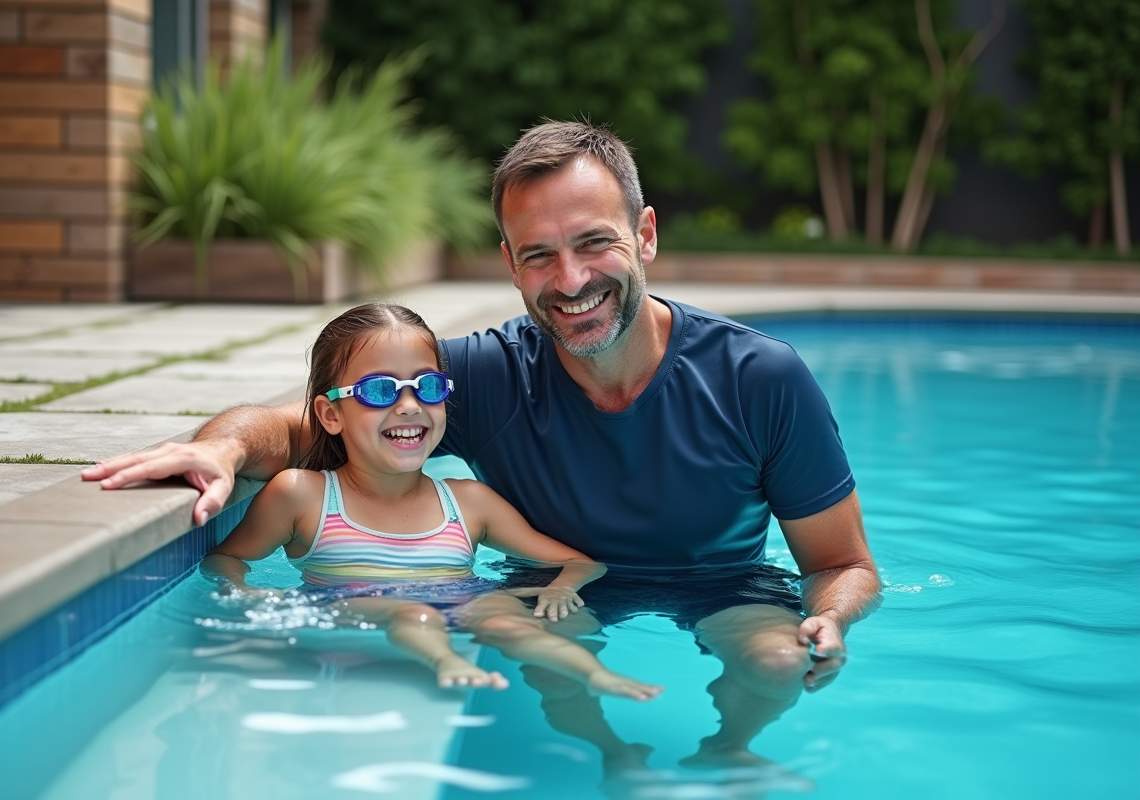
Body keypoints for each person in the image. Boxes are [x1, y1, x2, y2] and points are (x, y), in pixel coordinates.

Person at [85, 121, 880, 769]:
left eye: (592, 243)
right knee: (538, 640)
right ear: (509, 264)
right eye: (538, 254)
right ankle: (610, 760)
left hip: (725, 581)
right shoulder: (483, 374)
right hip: (554, 588)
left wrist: (832, 619)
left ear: (645, 235)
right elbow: (297, 429)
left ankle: (726, 755)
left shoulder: (758, 377)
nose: (569, 280)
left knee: (778, 664)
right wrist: (222, 451)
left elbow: (842, 565)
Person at [201, 302, 662, 700]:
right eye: (380, 389)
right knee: (413, 613)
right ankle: (444, 661)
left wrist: (561, 588)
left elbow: (580, 563)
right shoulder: (304, 495)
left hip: (464, 600)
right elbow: (224, 558)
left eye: (429, 387)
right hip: (351, 604)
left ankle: (596, 674)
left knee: (508, 624)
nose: (408, 405)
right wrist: (243, 593)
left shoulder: (469, 501)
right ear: (331, 414)